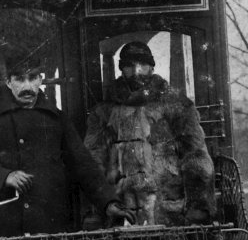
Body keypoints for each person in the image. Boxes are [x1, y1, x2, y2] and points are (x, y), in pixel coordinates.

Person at [0, 50, 131, 237]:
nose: (27, 86)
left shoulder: (57, 119)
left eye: (32, 78)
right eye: (19, 79)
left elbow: (84, 165)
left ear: (40, 80)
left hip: (49, 223)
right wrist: (4, 176)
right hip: (4, 223)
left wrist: (108, 202)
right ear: (8, 82)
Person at [84, 41, 216, 227]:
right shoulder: (103, 113)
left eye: (143, 64)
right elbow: (93, 164)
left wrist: (197, 210)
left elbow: (196, 159)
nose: (137, 71)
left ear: (152, 67)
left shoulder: (177, 106)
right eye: (129, 65)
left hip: (169, 212)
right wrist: (100, 208)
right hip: (122, 214)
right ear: (121, 69)